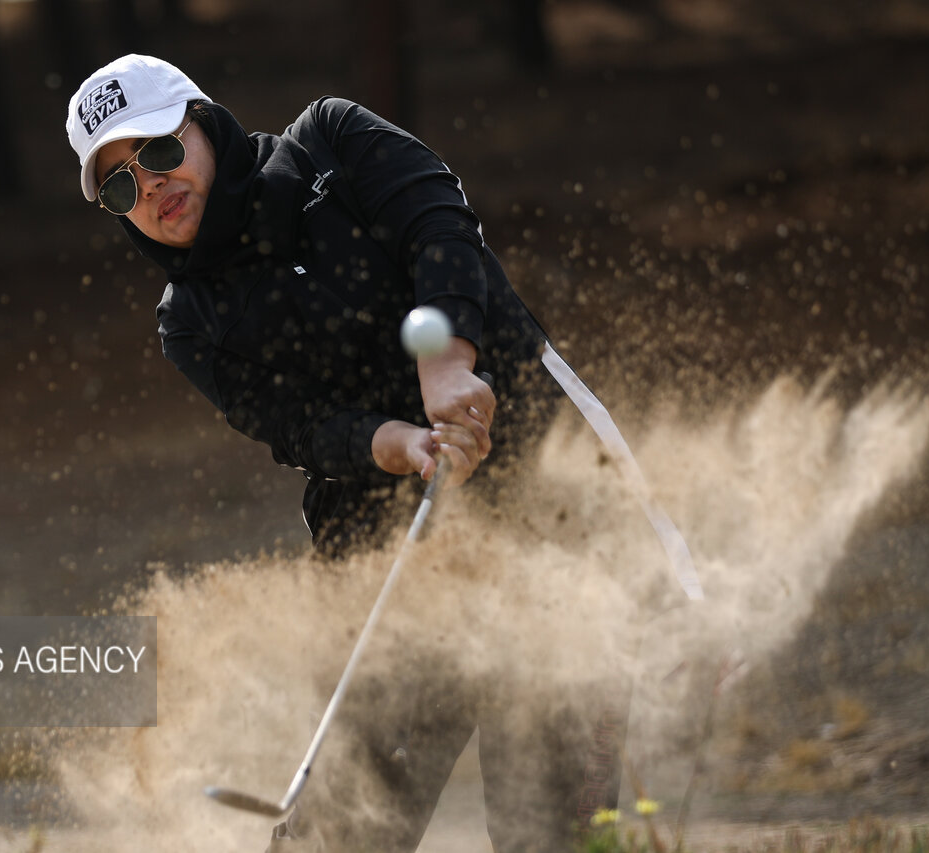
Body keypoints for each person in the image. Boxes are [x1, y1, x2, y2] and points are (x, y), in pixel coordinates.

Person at [66, 55, 622, 852]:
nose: (151, 187)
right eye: (121, 187)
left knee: (551, 821)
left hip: (541, 485)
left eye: (158, 150)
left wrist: (447, 364)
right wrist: (395, 443)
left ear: (204, 123)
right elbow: (297, 426)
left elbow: (439, 223)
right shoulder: (188, 321)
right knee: (349, 824)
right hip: (381, 542)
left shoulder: (331, 142)